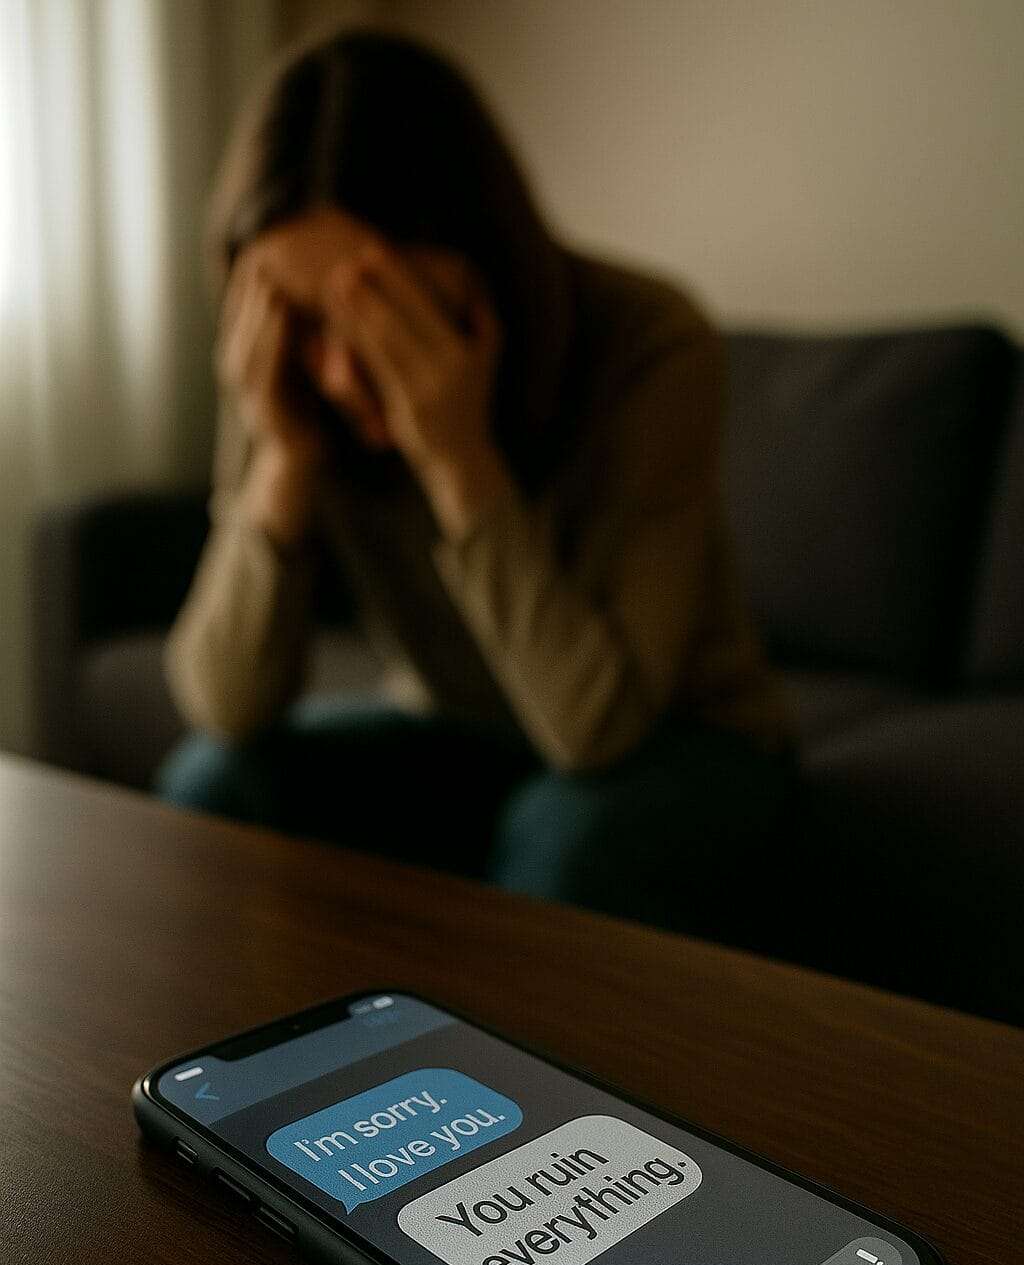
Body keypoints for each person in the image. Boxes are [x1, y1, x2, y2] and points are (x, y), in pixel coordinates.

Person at [158, 27, 795, 945]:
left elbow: (596, 729)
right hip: (459, 729)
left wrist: (457, 458)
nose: (338, 371)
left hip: (685, 737)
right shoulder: (288, 376)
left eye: (375, 307)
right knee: (208, 786)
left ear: (474, 254)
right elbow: (225, 705)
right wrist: (282, 463)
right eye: (299, 317)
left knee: (564, 837)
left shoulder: (655, 341)